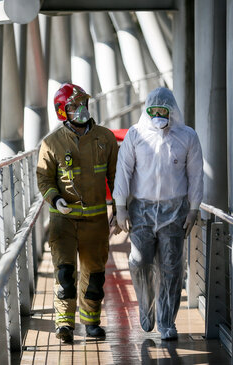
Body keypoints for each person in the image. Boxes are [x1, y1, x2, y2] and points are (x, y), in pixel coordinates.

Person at [112, 87, 203, 340]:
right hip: (141, 209)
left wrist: (194, 208)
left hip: (175, 211)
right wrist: (120, 207)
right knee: (140, 261)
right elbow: (124, 171)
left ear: (172, 111)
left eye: (163, 110)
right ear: (147, 110)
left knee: (171, 267)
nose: (158, 114)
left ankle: (166, 322)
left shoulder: (187, 137)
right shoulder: (135, 135)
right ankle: (146, 305)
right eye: (153, 110)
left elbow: (195, 175)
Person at [36, 83, 119, 343]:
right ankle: (64, 324)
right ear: (63, 111)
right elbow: (44, 178)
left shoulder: (105, 139)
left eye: (83, 103)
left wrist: (119, 210)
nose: (81, 109)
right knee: (65, 273)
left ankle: (91, 323)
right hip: (64, 220)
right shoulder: (51, 143)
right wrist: (55, 199)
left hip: (95, 221)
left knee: (94, 275)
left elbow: (117, 177)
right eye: (74, 105)